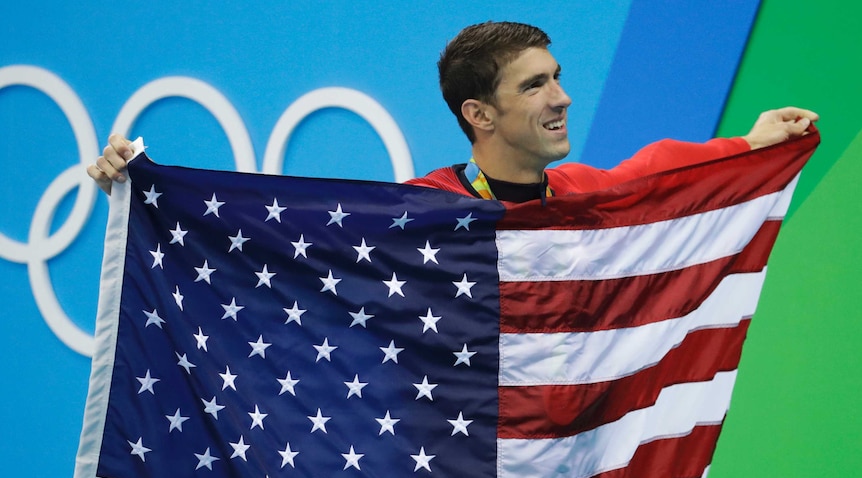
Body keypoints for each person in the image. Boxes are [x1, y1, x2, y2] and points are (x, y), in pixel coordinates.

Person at [87, 21, 818, 202]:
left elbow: (655, 170)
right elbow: (264, 232)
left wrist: (752, 143)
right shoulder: (423, 212)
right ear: (479, 113)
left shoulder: (586, 199)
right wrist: (142, 188)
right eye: (534, 86)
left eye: (557, 77)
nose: (562, 97)